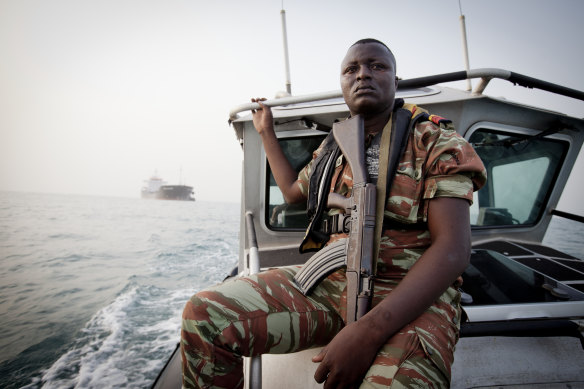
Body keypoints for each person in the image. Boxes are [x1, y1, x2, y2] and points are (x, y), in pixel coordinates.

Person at [181, 38, 487, 388]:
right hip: (335, 280)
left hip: (413, 294)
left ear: (396, 82)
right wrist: (266, 132)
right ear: (342, 83)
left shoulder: (437, 142)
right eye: (351, 69)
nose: (363, 75)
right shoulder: (334, 146)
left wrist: (368, 331)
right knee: (204, 314)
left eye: (377, 66)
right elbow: (293, 192)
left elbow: (453, 250)